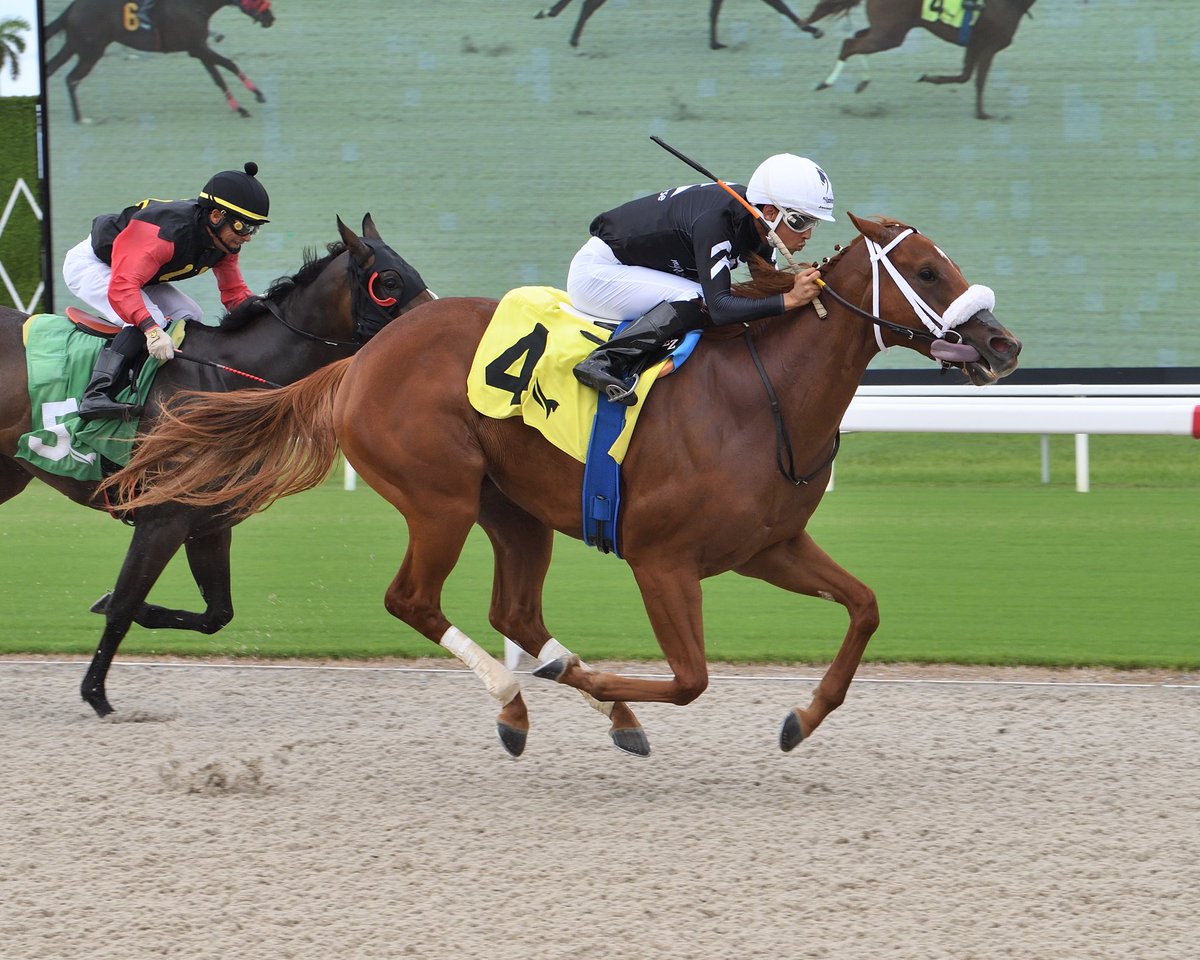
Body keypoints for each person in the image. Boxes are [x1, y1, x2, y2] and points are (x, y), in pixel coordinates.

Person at [568, 153, 834, 405]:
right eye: (800, 222)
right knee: (700, 299)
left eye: (814, 223)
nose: (807, 235)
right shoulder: (716, 221)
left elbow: (766, 293)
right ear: (770, 212)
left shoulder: (757, 224)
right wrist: (790, 298)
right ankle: (605, 361)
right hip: (598, 274)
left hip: (628, 268)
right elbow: (719, 307)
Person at [62, 161, 270, 421]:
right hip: (94, 265)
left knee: (190, 313)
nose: (248, 237)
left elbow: (234, 293)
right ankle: (97, 394)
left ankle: (166, 383)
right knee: (153, 319)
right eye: (244, 226)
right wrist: (151, 329)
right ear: (216, 215)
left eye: (254, 228)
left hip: (138, 274)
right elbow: (122, 287)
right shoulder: (164, 233)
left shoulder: (223, 243)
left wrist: (266, 309)